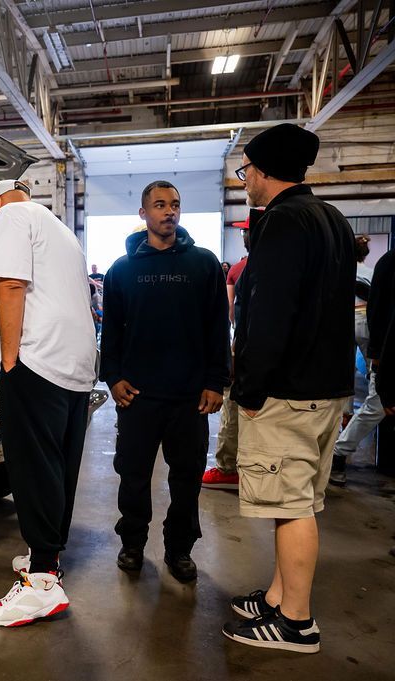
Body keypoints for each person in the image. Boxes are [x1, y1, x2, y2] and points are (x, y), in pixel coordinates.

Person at [223, 123, 355, 654]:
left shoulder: (281, 221)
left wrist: (250, 389)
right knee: (296, 500)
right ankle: (280, 598)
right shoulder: (331, 219)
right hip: (325, 385)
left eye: (247, 171)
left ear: (264, 170)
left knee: (291, 505)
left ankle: (296, 622)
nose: (246, 181)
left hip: (287, 389)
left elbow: (270, 313)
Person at [0, 178, 97, 627]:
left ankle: (42, 584)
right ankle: (47, 555)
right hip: (75, 364)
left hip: (36, 359)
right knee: (58, 465)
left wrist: (10, 360)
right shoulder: (61, 229)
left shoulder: (10, 216)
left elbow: (10, 284)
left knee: (31, 466)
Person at [100, 181, 230, 582]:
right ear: (144, 214)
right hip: (138, 396)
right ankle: (132, 543)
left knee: (186, 479)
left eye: (174, 204)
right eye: (159, 205)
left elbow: (217, 327)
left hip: (189, 396)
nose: (169, 211)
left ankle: (179, 548)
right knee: (134, 476)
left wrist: (216, 381)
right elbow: (112, 333)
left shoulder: (203, 264)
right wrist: (113, 377)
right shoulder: (122, 270)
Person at [202, 216, 257, 490]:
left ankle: (227, 467)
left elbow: (231, 312)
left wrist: (232, 351)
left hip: (246, 347)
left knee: (233, 407)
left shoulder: (240, 269)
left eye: (245, 232)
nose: (243, 236)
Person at [330, 241, 390, 486]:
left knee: (343, 374)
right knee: (375, 389)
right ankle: (338, 451)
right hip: (365, 320)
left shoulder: (339, 270)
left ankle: (345, 413)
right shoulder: (373, 271)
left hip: (343, 320)